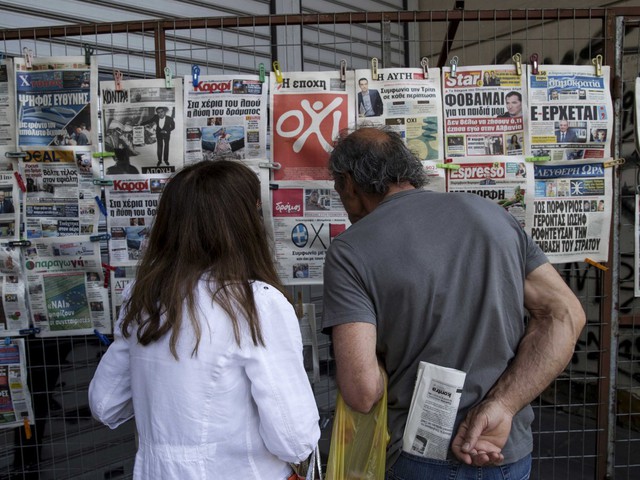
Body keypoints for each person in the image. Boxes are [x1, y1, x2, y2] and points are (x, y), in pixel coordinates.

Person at [321, 126, 585, 479]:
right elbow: (566, 315)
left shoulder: (350, 250)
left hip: (420, 456)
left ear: (349, 184)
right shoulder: (494, 217)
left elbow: (362, 392)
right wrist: (503, 405)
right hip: (506, 449)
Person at [89, 160, 319, 479]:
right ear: (247, 220)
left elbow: (105, 403)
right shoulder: (257, 304)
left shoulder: (142, 298)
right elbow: (295, 438)